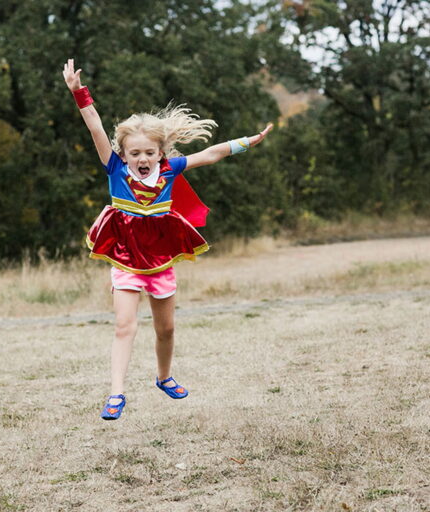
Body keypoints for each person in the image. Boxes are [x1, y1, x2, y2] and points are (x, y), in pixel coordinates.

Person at [63, 58, 273, 420]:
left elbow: (211, 154)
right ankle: (116, 393)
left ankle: (164, 376)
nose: (142, 158)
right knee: (124, 325)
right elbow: (95, 126)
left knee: (167, 328)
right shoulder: (115, 168)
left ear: (160, 153)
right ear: (124, 154)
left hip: (160, 258)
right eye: (135, 153)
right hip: (125, 256)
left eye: (149, 152)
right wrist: (78, 92)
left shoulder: (170, 169)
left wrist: (248, 142)